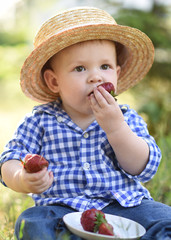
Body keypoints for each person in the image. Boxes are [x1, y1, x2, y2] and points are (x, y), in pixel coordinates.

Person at [0, 6, 171, 240]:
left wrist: (116, 128)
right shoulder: (39, 120)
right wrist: (21, 178)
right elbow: (10, 158)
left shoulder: (125, 117)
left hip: (125, 206)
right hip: (62, 210)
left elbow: (143, 168)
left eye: (105, 67)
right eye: (80, 68)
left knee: (164, 219)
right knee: (32, 222)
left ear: (117, 74)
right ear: (53, 81)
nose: (96, 77)